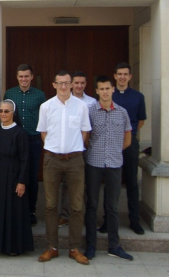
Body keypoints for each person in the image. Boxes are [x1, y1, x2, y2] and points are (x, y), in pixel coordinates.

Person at [37, 70, 91, 265]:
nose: (63, 86)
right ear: (53, 85)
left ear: (71, 85)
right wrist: (57, 149)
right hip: (52, 160)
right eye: (59, 83)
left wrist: (71, 149)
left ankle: (74, 248)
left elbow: (85, 132)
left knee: (77, 206)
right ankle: (52, 247)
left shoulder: (82, 107)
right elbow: (43, 133)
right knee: (51, 205)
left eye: (66, 83)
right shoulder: (46, 107)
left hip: (75, 160)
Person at [84, 76, 133, 261]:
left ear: (113, 89)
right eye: (101, 89)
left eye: (107, 88)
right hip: (94, 164)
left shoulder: (122, 112)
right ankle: (91, 245)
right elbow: (86, 138)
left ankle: (114, 245)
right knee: (92, 205)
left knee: (112, 206)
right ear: (96, 91)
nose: (105, 91)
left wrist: (113, 150)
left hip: (114, 164)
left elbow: (127, 139)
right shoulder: (90, 112)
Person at [103, 62, 146, 235]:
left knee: (131, 182)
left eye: (125, 74)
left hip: (129, 143)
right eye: (119, 74)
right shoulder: (109, 95)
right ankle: (107, 220)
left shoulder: (138, 97)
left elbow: (141, 120)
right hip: (110, 143)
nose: (122, 77)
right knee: (110, 183)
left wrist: (128, 136)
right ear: (114, 76)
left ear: (130, 77)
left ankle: (134, 220)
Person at [0, 100, 33, 255]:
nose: (3, 114)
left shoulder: (20, 133)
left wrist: (22, 181)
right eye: (1, 111)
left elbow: (25, 159)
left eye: (6, 111)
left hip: (14, 175)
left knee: (13, 210)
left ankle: (13, 246)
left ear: (13, 113)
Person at [4, 64, 45, 226]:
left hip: (33, 140)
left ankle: (30, 210)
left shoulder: (40, 95)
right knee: (15, 175)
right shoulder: (9, 93)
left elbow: (44, 119)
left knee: (32, 176)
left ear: (32, 77)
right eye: (21, 76)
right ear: (17, 77)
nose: (24, 79)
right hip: (14, 139)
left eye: (26, 76)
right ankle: (16, 208)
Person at [59, 71, 97, 228]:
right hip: (70, 149)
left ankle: (87, 217)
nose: (79, 85)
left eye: (82, 83)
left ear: (86, 84)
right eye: (76, 83)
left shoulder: (92, 102)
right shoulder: (65, 101)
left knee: (87, 183)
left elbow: (91, 127)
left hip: (87, 148)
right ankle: (65, 215)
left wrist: (85, 144)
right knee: (67, 183)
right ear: (71, 84)